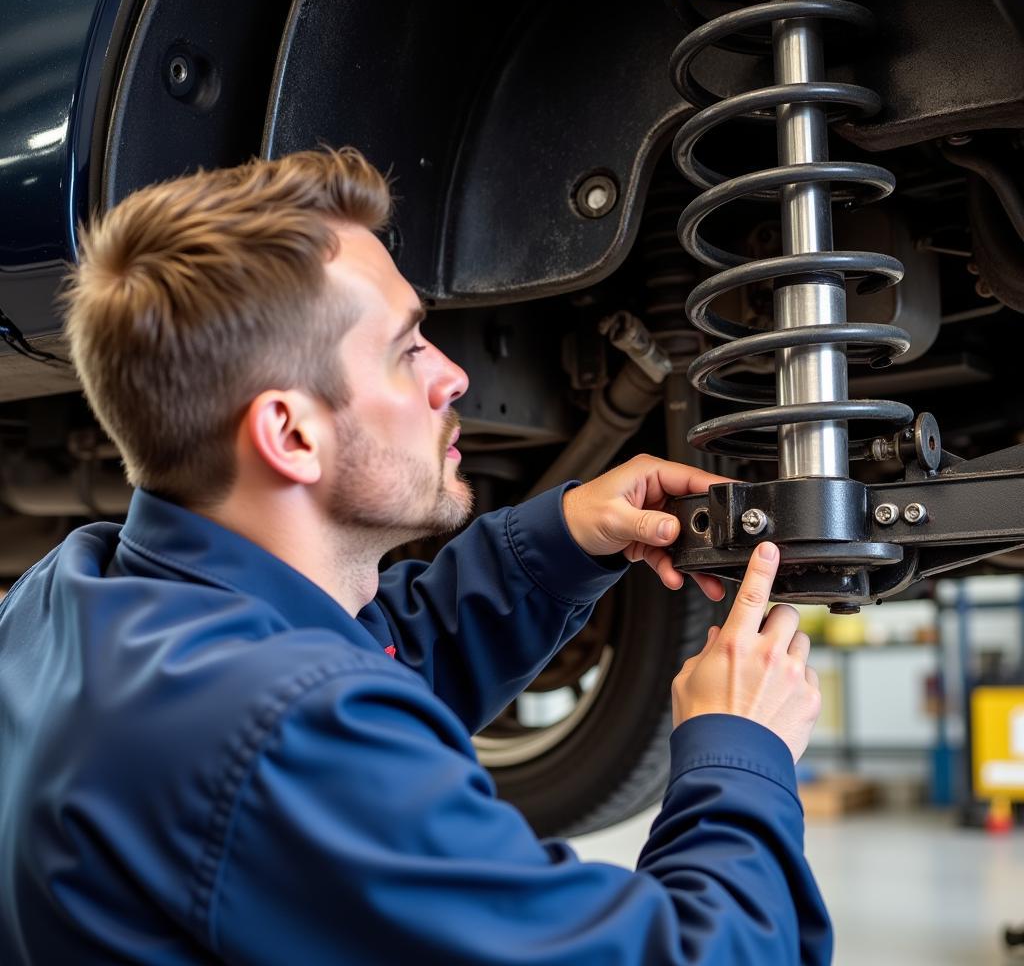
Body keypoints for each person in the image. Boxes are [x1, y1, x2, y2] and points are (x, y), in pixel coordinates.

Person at [0, 148, 831, 965]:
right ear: (290, 433)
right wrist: (740, 747)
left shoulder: (72, 593)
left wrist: (560, 542)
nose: (455, 376)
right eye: (407, 350)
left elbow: (351, 657)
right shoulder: (277, 738)